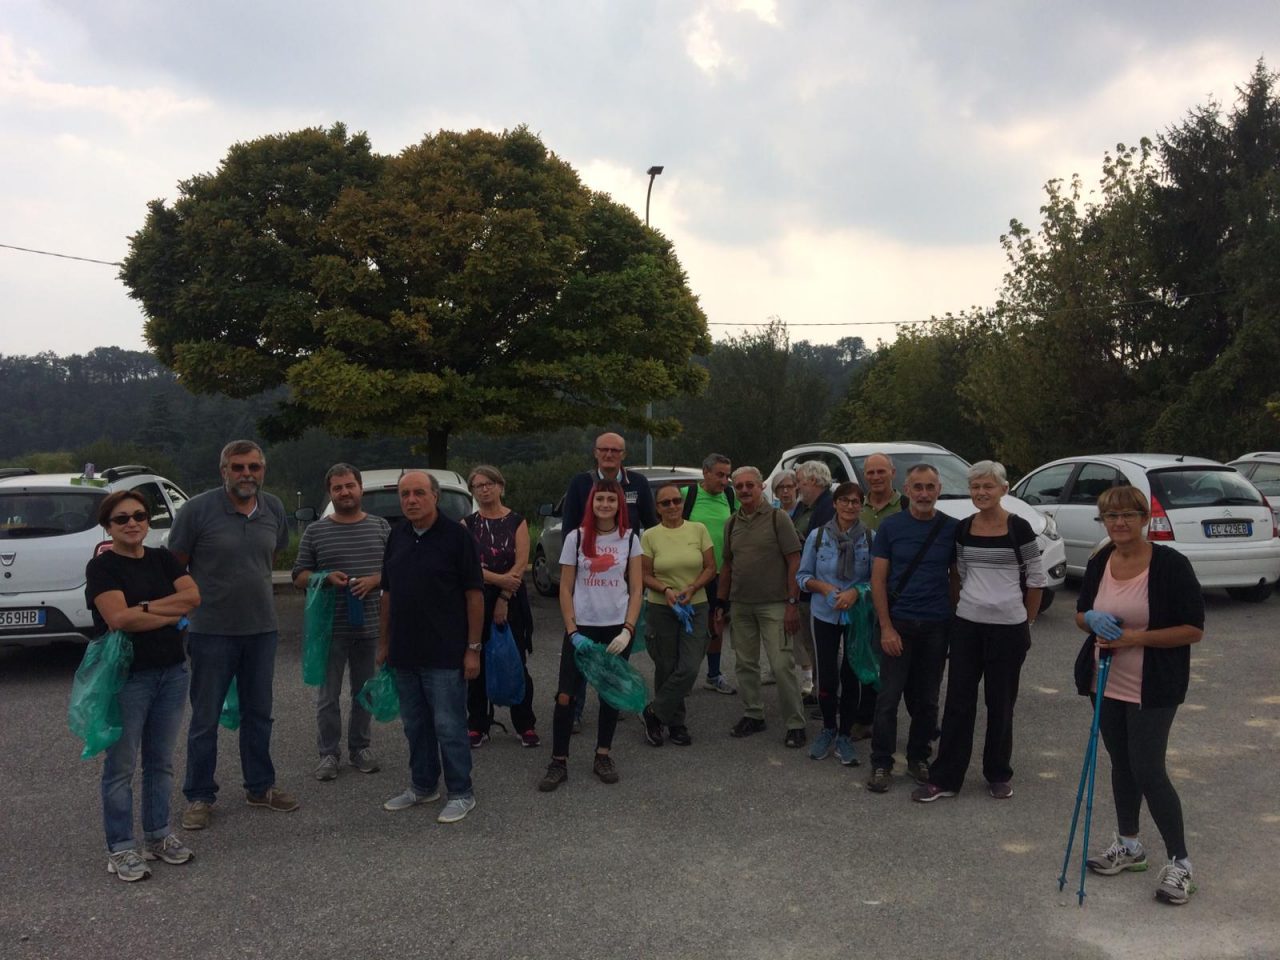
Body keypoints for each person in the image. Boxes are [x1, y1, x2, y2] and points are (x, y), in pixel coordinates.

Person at [1075, 486, 1204, 906]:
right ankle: (1129, 845)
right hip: (1104, 680)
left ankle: (1181, 864)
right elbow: (1080, 613)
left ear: (1144, 518)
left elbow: (1193, 629)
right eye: (1110, 517)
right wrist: (1090, 620)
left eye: (1128, 515)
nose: (1119, 524)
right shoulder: (1100, 559)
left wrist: (1135, 638)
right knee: (1122, 764)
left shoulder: (1170, 565)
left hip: (1154, 684)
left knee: (1149, 768)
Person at [170, 440, 296, 830]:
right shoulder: (197, 511)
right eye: (238, 467)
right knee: (205, 718)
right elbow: (176, 567)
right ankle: (199, 795)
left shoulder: (273, 507)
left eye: (254, 467)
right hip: (211, 631)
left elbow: (270, 555)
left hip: (262, 629)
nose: (247, 474)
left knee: (259, 714)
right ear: (223, 470)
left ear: (263, 470)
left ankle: (260, 787)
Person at [912, 461, 1045, 803]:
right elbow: (960, 575)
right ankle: (945, 778)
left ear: (1004, 488)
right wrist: (961, 613)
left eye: (988, 486)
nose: (981, 493)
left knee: (1001, 704)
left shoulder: (1020, 529)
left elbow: (1035, 579)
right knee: (958, 703)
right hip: (968, 626)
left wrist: (1026, 622)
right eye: (975, 487)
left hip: (1009, 629)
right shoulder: (964, 529)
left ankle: (998, 773)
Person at [85, 490, 201, 881]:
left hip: (172, 672)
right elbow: (118, 619)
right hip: (128, 678)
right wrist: (165, 610)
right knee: (121, 765)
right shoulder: (102, 568)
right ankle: (120, 847)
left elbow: (193, 597)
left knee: (161, 761)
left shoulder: (162, 557)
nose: (132, 523)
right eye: (122, 519)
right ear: (108, 525)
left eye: (139, 515)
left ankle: (158, 835)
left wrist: (146, 609)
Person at [379, 471, 484, 823]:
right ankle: (423, 786)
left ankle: (461, 792)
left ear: (434, 497)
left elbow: (474, 595)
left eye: (418, 493)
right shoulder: (396, 536)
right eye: (405, 494)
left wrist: (473, 648)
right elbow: (388, 593)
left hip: (446, 652)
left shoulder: (457, 537)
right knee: (415, 725)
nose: (411, 500)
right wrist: (383, 643)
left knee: (449, 725)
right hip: (404, 652)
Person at [540, 479, 643, 791]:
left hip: (616, 627)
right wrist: (572, 631)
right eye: (600, 500)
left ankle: (603, 754)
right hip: (582, 627)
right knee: (565, 695)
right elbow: (565, 587)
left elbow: (637, 588)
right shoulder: (576, 537)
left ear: (619, 504)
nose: (605, 505)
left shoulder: (629, 539)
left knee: (610, 694)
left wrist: (628, 629)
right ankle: (559, 761)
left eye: (611, 500)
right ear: (591, 503)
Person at [292, 463, 391, 781]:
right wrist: (324, 578)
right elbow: (298, 576)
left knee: (366, 691)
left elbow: (396, 570)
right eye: (338, 488)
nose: (345, 492)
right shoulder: (316, 531)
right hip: (329, 628)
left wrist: (375, 579)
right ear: (330, 493)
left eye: (350, 485)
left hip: (371, 626)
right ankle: (328, 754)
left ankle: (360, 748)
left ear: (361, 488)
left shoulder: (380, 527)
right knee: (328, 696)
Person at [866, 463, 958, 793]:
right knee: (888, 698)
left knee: (928, 699)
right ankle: (881, 762)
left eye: (929, 487)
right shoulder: (891, 528)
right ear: (907, 490)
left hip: (936, 625)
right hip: (899, 624)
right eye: (917, 487)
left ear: (938, 490)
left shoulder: (951, 528)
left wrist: (953, 616)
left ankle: (919, 757)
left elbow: (956, 577)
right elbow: (877, 580)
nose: (923, 493)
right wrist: (887, 627)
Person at [560, 432, 658, 729]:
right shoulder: (580, 482)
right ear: (595, 452)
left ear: (624, 455)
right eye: (604, 449)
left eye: (615, 450)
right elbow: (569, 528)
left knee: (617, 651)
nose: (609, 454)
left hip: (625, 576)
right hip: (588, 575)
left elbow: (651, 526)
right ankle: (574, 709)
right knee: (581, 654)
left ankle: (614, 704)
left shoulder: (638, 483)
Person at [714, 467, 807, 748]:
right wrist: (720, 602)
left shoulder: (779, 519)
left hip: (775, 604)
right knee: (745, 664)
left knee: (781, 665)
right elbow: (728, 565)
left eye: (749, 485)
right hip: (741, 605)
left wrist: (792, 603)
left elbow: (794, 561)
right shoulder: (731, 523)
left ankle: (795, 723)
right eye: (739, 486)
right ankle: (753, 714)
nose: (744, 490)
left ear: (760, 487)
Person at [796, 481, 874, 766]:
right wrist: (826, 589)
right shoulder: (818, 537)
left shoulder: (870, 538)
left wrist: (856, 592)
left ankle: (845, 734)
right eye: (845, 501)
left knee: (852, 674)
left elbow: (876, 580)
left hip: (856, 615)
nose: (850, 506)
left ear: (861, 506)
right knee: (827, 675)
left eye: (856, 502)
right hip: (825, 613)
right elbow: (802, 576)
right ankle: (828, 728)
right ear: (836, 504)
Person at [461, 465, 538, 749]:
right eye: (478, 485)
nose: (484, 489)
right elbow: (467, 567)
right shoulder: (466, 525)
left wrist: (504, 595)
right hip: (476, 600)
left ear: (500, 486)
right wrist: (497, 578)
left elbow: (521, 563)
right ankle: (478, 724)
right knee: (476, 661)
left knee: (516, 661)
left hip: (512, 600)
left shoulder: (517, 521)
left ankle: (525, 723)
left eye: (489, 483)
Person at [640, 482, 716, 747]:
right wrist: (666, 589)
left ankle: (653, 712)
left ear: (682, 504)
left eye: (676, 501)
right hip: (663, 607)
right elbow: (644, 574)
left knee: (690, 666)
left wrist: (693, 587)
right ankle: (675, 723)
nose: (672, 506)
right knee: (666, 665)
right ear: (657, 508)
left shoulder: (698, 529)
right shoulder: (650, 536)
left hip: (696, 605)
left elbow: (710, 567)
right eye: (665, 503)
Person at [684, 453, 737, 695]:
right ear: (705, 472)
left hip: (720, 574)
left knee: (715, 625)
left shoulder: (730, 495)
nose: (725, 481)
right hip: (690, 575)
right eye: (720, 475)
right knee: (686, 626)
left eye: (728, 475)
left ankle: (713, 675)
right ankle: (680, 677)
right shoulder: (688, 495)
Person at [789, 461, 836, 700]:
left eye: (800, 482)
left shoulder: (828, 506)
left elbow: (823, 545)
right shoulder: (803, 507)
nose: (797, 487)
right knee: (811, 644)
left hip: (818, 587)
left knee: (822, 647)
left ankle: (826, 694)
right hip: (805, 586)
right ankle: (820, 690)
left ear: (815, 482)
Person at [861, 453, 905, 531]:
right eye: (870, 473)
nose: (876, 477)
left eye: (881, 472)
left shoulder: (908, 507)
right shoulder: (855, 508)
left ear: (893, 473)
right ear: (864, 476)